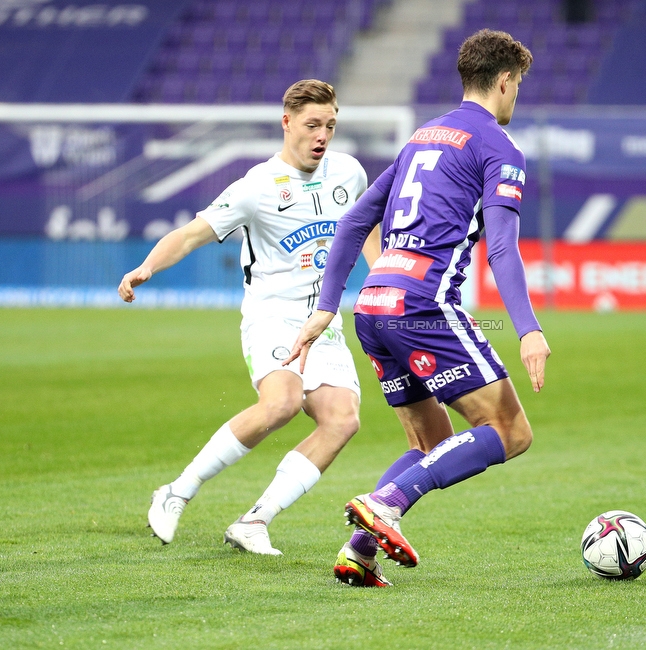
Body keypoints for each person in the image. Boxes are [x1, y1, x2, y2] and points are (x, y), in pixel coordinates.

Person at [286, 30, 551, 588]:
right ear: (504, 81)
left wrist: (327, 306)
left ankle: (359, 551)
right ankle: (386, 505)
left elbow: (356, 221)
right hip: (423, 305)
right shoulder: (499, 148)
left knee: (428, 443)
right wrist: (527, 329)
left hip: (373, 306)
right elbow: (502, 247)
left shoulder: (422, 139)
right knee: (509, 430)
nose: (516, 97)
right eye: (518, 86)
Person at [117, 79, 381, 557]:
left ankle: (254, 521)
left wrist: (383, 275)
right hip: (272, 316)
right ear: (287, 123)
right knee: (280, 404)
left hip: (322, 321)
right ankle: (177, 490)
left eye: (330, 125)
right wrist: (146, 267)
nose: (322, 135)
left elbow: (365, 230)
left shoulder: (349, 173)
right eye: (312, 125)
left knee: (342, 421)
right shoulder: (257, 187)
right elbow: (191, 235)